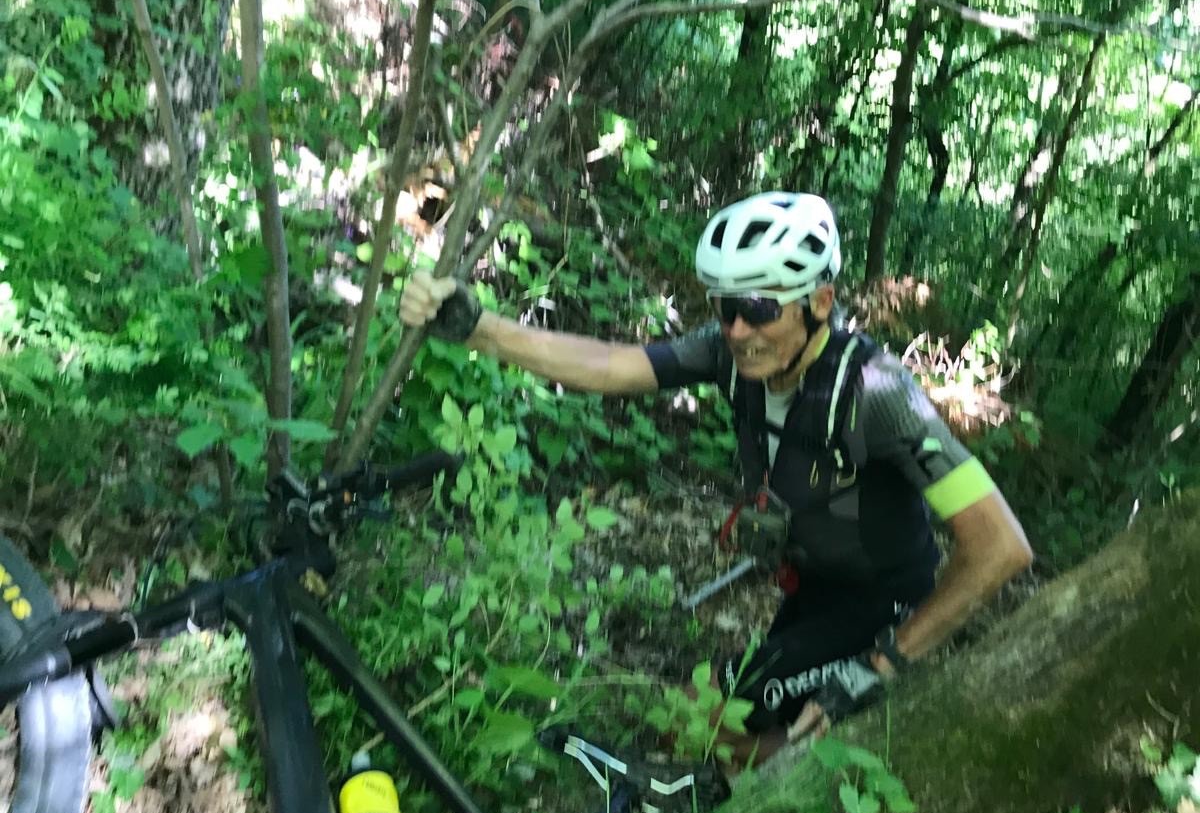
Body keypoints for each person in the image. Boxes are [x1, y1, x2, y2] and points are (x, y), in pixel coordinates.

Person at [399, 191, 1032, 763]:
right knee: (714, 712)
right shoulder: (731, 353)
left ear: (820, 301)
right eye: (726, 307)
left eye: (759, 307)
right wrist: (478, 328)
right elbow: (613, 366)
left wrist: (884, 662)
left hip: (885, 600)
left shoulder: (878, 394)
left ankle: (775, 792)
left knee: (715, 725)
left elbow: (1000, 547)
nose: (738, 330)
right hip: (817, 588)